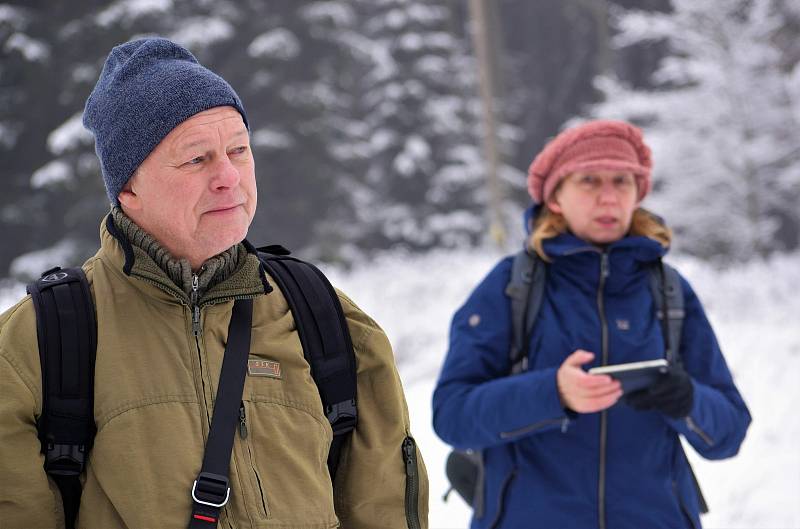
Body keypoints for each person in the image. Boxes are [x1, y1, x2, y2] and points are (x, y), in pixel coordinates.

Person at [0, 37, 428, 529]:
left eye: (238, 151)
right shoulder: (38, 344)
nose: (228, 176)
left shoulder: (326, 318)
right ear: (128, 187)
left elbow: (384, 511)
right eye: (197, 159)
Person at [432, 120, 750, 529]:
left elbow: (730, 432)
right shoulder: (511, 287)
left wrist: (688, 402)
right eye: (589, 181)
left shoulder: (669, 290)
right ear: (556, 197)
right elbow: (452, 415)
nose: (608, 197)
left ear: (638, 192)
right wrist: (552, 393)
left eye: (622, 181)